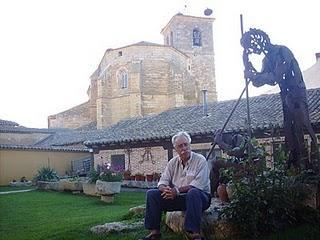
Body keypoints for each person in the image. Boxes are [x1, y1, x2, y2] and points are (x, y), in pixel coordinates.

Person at [241, 28, 318, 170]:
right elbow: (260, 82)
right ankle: (295, 162)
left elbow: (276, 76)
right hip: (285, 95)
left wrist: (254, 76)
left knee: (302, 125)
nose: (252, 51)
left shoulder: (282, 51)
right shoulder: (267, 59)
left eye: (251, 48)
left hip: (296, 92)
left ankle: (312, 162)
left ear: (258, 42)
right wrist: (248, 66)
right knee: (289, 129)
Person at [141, 131, 211, 240]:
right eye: (180, 146)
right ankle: (154, 233)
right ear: (176, 149)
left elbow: (197, 185)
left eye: (185, 144)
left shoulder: (200, 160)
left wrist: (176, 190)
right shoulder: (172, 163)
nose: (184, 148)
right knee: (152, 194)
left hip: (200, 198)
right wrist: (165, 189)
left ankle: (195, 234)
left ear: (189, 145)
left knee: (193, 192)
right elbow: (162, 181)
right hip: (178, 198)